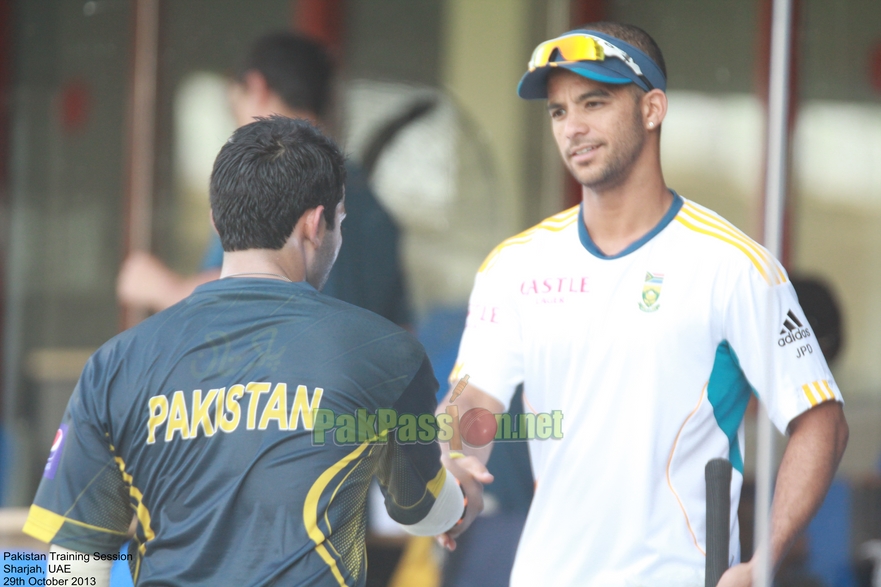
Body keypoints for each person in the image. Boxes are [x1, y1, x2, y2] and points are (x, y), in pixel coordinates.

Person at [437, 22, 849, 587]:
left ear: (652, 108)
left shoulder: (733, 266)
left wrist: (765, 559)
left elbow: (821, 421)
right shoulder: (514, 265)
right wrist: (451, 459)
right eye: (558, 111)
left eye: (594, 102)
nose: (573, 128)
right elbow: (471, 396)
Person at [23, 116, 489, 586]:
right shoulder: (386, 354)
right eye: (339, 223)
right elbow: (418, 509)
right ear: (314, 224)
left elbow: (75, 563)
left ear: (216, 219)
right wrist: (461, 490)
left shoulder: (114, 365)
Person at [117, 32, 410, 327]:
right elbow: (403, 326)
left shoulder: (260, 179)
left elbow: (245, 296)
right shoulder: (369, 201)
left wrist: (163, 288)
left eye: (234, 106)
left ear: (257, 87)